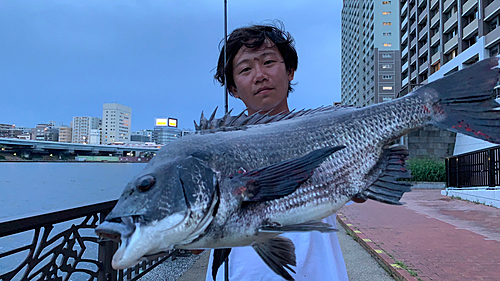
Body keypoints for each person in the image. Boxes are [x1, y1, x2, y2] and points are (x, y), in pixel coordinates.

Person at [200, 21, 351, 281]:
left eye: (269, 62)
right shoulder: (217, 152)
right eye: (245, 69)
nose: (259, 75)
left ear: (290, 70)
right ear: (233, 88)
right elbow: (191, 242)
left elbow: (360, 191)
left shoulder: (325, 133)